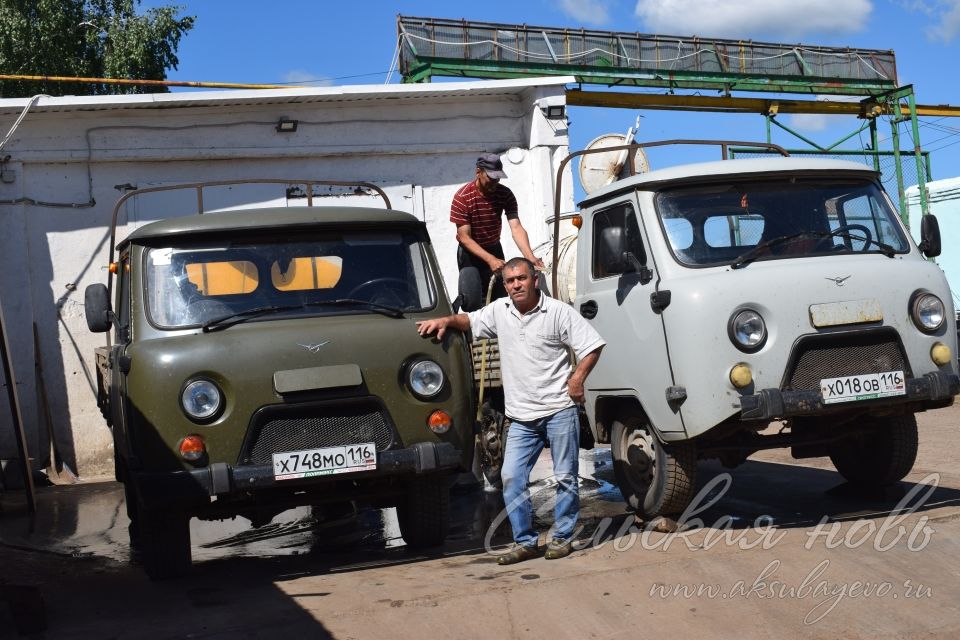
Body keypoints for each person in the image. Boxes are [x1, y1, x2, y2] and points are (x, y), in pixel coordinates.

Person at [416, 258, 605, 564]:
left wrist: (577, 379)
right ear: (504, 285)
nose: (516, 285)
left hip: (559, 410)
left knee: (565, 478)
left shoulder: (557, 312)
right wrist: (447, 321)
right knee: (511, 477)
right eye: (510, 281)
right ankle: (526, 541)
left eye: (521, 278)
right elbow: (470, 321)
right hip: (521, 418)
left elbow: (593, 345)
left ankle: (561, 537)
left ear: (534, 280)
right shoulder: (500, 311)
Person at [451, 153, 545, 301]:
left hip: (494, 247)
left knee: (501, 297)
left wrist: (529, 256)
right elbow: (464, 237)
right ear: (478, 172)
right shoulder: (462, 198)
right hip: (470, 252)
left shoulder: (505, 194)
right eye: (490, 177)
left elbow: (516, 227)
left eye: (497, 178)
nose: (494, 182)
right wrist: (490, 260)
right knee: (474, 300)